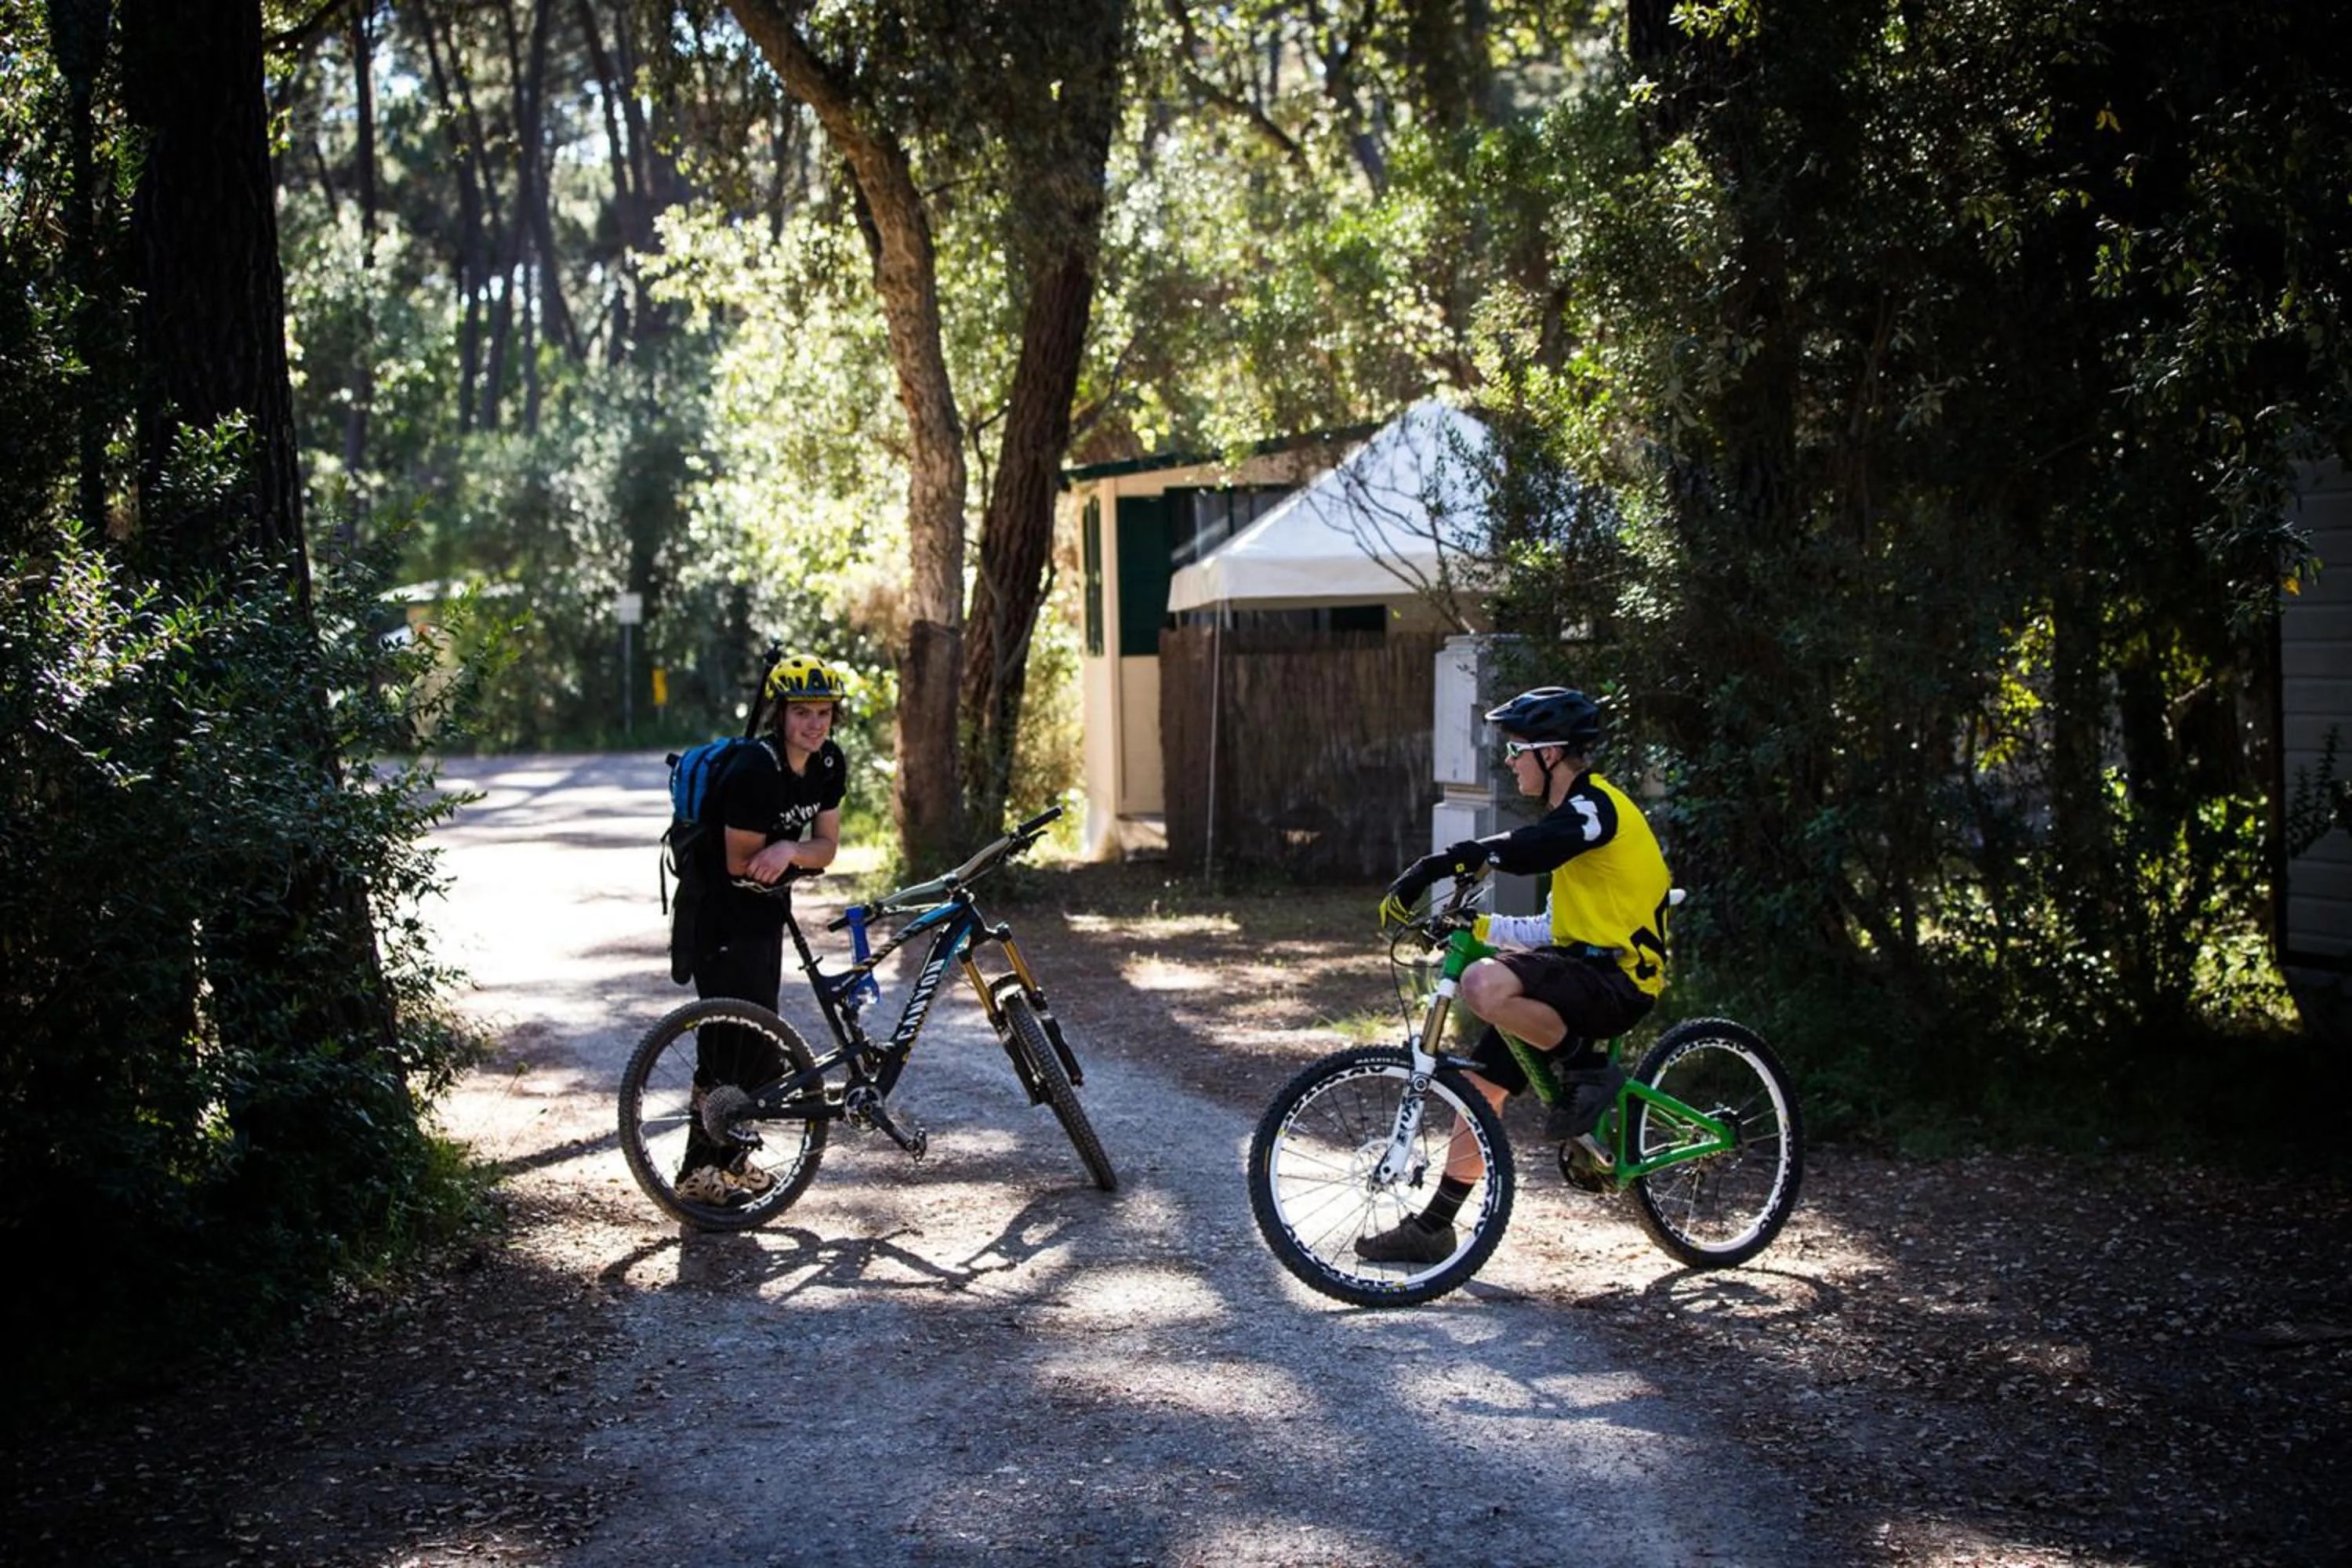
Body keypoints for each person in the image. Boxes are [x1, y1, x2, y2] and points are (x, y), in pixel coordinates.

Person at [1361, 685, 1672, 1265]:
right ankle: (1435, 1226)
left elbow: (1530, 850)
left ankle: (1586, 1065)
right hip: (1579, 972)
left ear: (1551, 754)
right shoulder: (1573, 823)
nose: (1509, 762)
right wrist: (1472, 927)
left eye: (1517, 750)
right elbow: (1550, 929)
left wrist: (1440, 863)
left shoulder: (1593, 809)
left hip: (1620, 982)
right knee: (1483, 1088)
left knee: (1483, 984)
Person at [676, 650, 850, 1206]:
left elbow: (825, 848)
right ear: (781, 714)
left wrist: (789, 848)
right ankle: (696, 1170)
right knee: (725, 1040)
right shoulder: (755, 768)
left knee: (758, 1042)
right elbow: (739, 863)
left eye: (823, 712)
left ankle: (730, 1161)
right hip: (719, 912)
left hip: (764, 913)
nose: (814, 724)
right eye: (802, 712)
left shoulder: (827, 765)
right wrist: (786, 853)